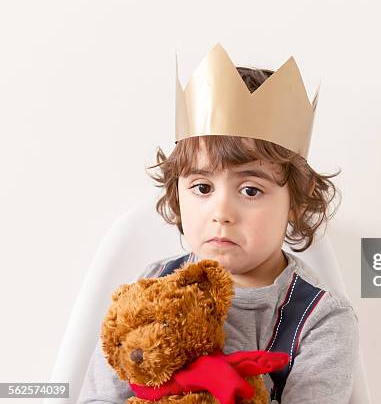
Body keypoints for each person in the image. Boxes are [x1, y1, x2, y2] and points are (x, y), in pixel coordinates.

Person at [77, 43, 359, 403]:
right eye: (202, 187)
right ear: (177, 192)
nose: (221, 212)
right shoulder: (151, 286)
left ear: (296, 200)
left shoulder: (319, 319)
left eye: (251, 190)